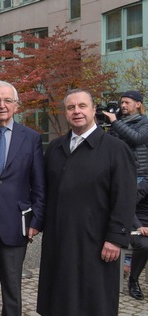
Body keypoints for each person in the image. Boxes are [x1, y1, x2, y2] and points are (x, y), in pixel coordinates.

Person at [37, 89, 136, 316]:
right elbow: (44, 191)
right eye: (71, 107)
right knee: (59, 300)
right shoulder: (55, 148)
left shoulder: (116, 149)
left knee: (94, 302)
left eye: (82, 106)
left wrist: (115, 237)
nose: (77, 111)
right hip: (59, 239)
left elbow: (125, 196)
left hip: (97, 241)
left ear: (93, 110)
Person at [0, 81, 45, 316]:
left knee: (12, 289)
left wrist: (36, 221)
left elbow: (38, 183)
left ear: (17, 105)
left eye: (8, 100)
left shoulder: (32, 138)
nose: (2, 105)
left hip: (17, 225)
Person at [105, 90, 148, 182]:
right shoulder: (118, 122)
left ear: (138, 104)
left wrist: (115, 122)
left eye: (127, 103)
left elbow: (138, 138)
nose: (123, 105)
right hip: (118, 172)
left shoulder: (144, 122)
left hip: (138, 174)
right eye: (122, 102)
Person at [130, 178, 148, 301]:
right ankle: (133, 280)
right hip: (137, 226)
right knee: (145, 245)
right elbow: (127, 205)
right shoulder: (145, 184)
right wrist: (139, 226)